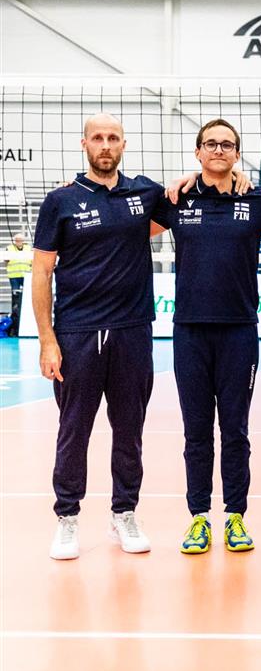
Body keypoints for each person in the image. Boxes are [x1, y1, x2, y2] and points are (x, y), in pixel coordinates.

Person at [34, 113, 165, 560]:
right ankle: (67, 518)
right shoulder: (60, 201)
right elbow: (41, 272)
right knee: (74, 430)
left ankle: (124, 513)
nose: (105, 145)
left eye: (113, 138)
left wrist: (231, 175)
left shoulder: (143, 193)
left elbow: (189, 200)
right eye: (97, 138)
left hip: (132, 331)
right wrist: (47, 340)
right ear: (84, 144)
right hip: (77, 333)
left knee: (129, 430)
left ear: (124, 144)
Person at [152, 119, 261, 554]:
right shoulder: (176, 199)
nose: (218, 150)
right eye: (210, 144)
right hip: (189, 331)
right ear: (198, 152)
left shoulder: (258, 200)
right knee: (196, 431)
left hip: (240, 331)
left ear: (237, 153)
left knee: (236, 430)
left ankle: (236, 516)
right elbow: (124, 211)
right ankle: (199, 518)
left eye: (227, 144)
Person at [5, 232, 32, 336]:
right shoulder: (9, 248)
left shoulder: (28, 248)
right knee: (16, 301)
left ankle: (26, 325)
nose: (18, 242)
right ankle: (15, 327)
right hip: (14, 277)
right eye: (17, 240)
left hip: (26, 277)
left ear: (23, 241)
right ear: (14, 241)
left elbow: (33, 261)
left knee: (26, 300)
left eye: (20, 240)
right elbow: (6, 260)